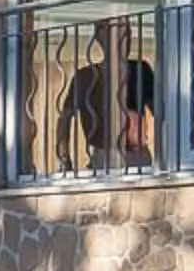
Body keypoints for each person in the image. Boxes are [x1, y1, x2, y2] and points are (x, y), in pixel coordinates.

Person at [56, 19, 157, 170]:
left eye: (128, 33)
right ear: (99, 38)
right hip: (104, 156)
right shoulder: (86, 76)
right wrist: (64, 159)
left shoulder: (141, 69)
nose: (124, 39)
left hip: (137, 155)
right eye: (116, 34)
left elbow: (161, 112)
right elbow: (65, 118)